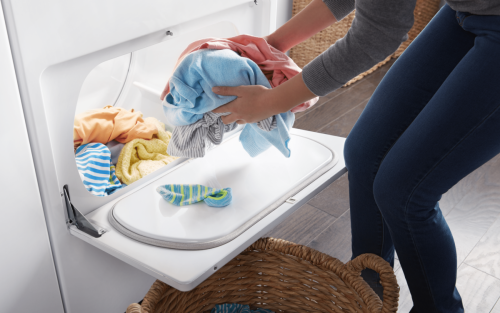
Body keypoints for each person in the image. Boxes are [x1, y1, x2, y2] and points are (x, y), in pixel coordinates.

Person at [182, 0, 499, 311]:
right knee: (364, 155)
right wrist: (272, 45)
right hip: (467, 10)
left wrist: (270, 102)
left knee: (403, 192)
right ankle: (367, 293)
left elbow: (377, 34)